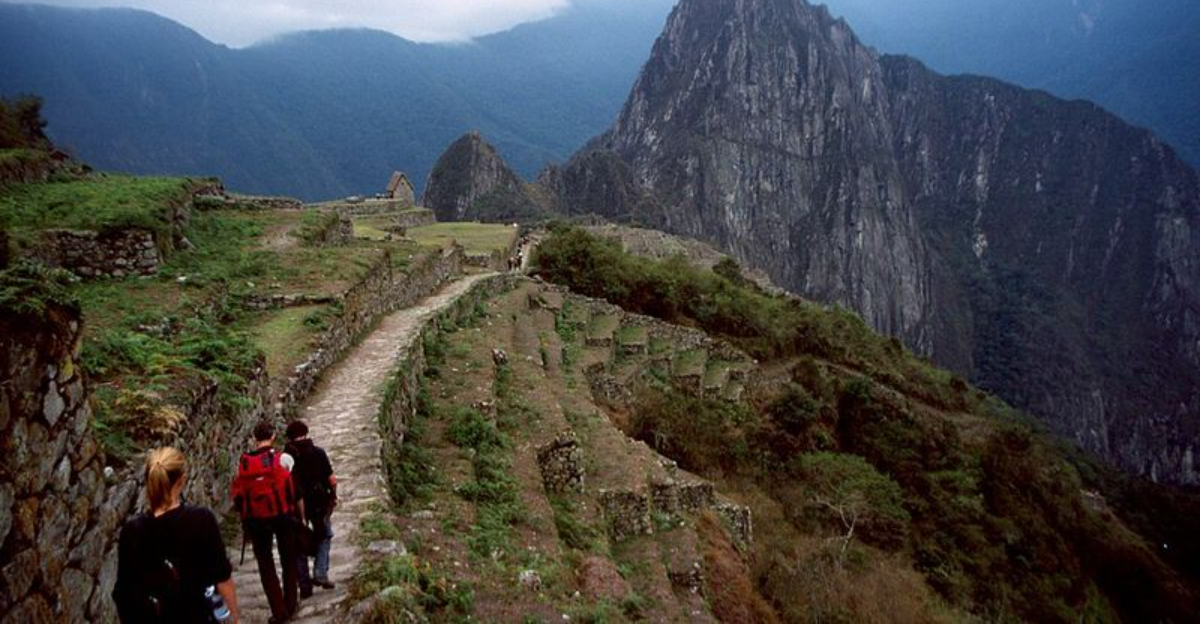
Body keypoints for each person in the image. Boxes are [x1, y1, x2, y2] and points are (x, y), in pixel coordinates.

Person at [113, 447, 240, 623]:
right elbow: (222, 577)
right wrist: (234, 617)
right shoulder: (201, 519)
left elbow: (123, 592)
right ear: (182, 480)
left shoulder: (132, 530)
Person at [231, 421, 300, 623]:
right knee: (288, 559)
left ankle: (278, 611)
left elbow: (238, 495)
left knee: (266, 564)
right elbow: (293, 489)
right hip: (282, 515)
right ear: (273, 436)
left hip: (256, 520)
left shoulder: (245, 463)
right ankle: (290, 604)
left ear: (254, 438)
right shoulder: (282, 459)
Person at [284, 420, 338, 597]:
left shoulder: (285, 458)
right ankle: (320, 572)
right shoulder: (318, 453)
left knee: (298, 543)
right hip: (318, 501)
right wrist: (333, 495)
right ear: (306, 433)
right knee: (325, 534)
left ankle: (304, 585)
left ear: (289, 438)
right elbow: (332, 480)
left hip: (295, 505)